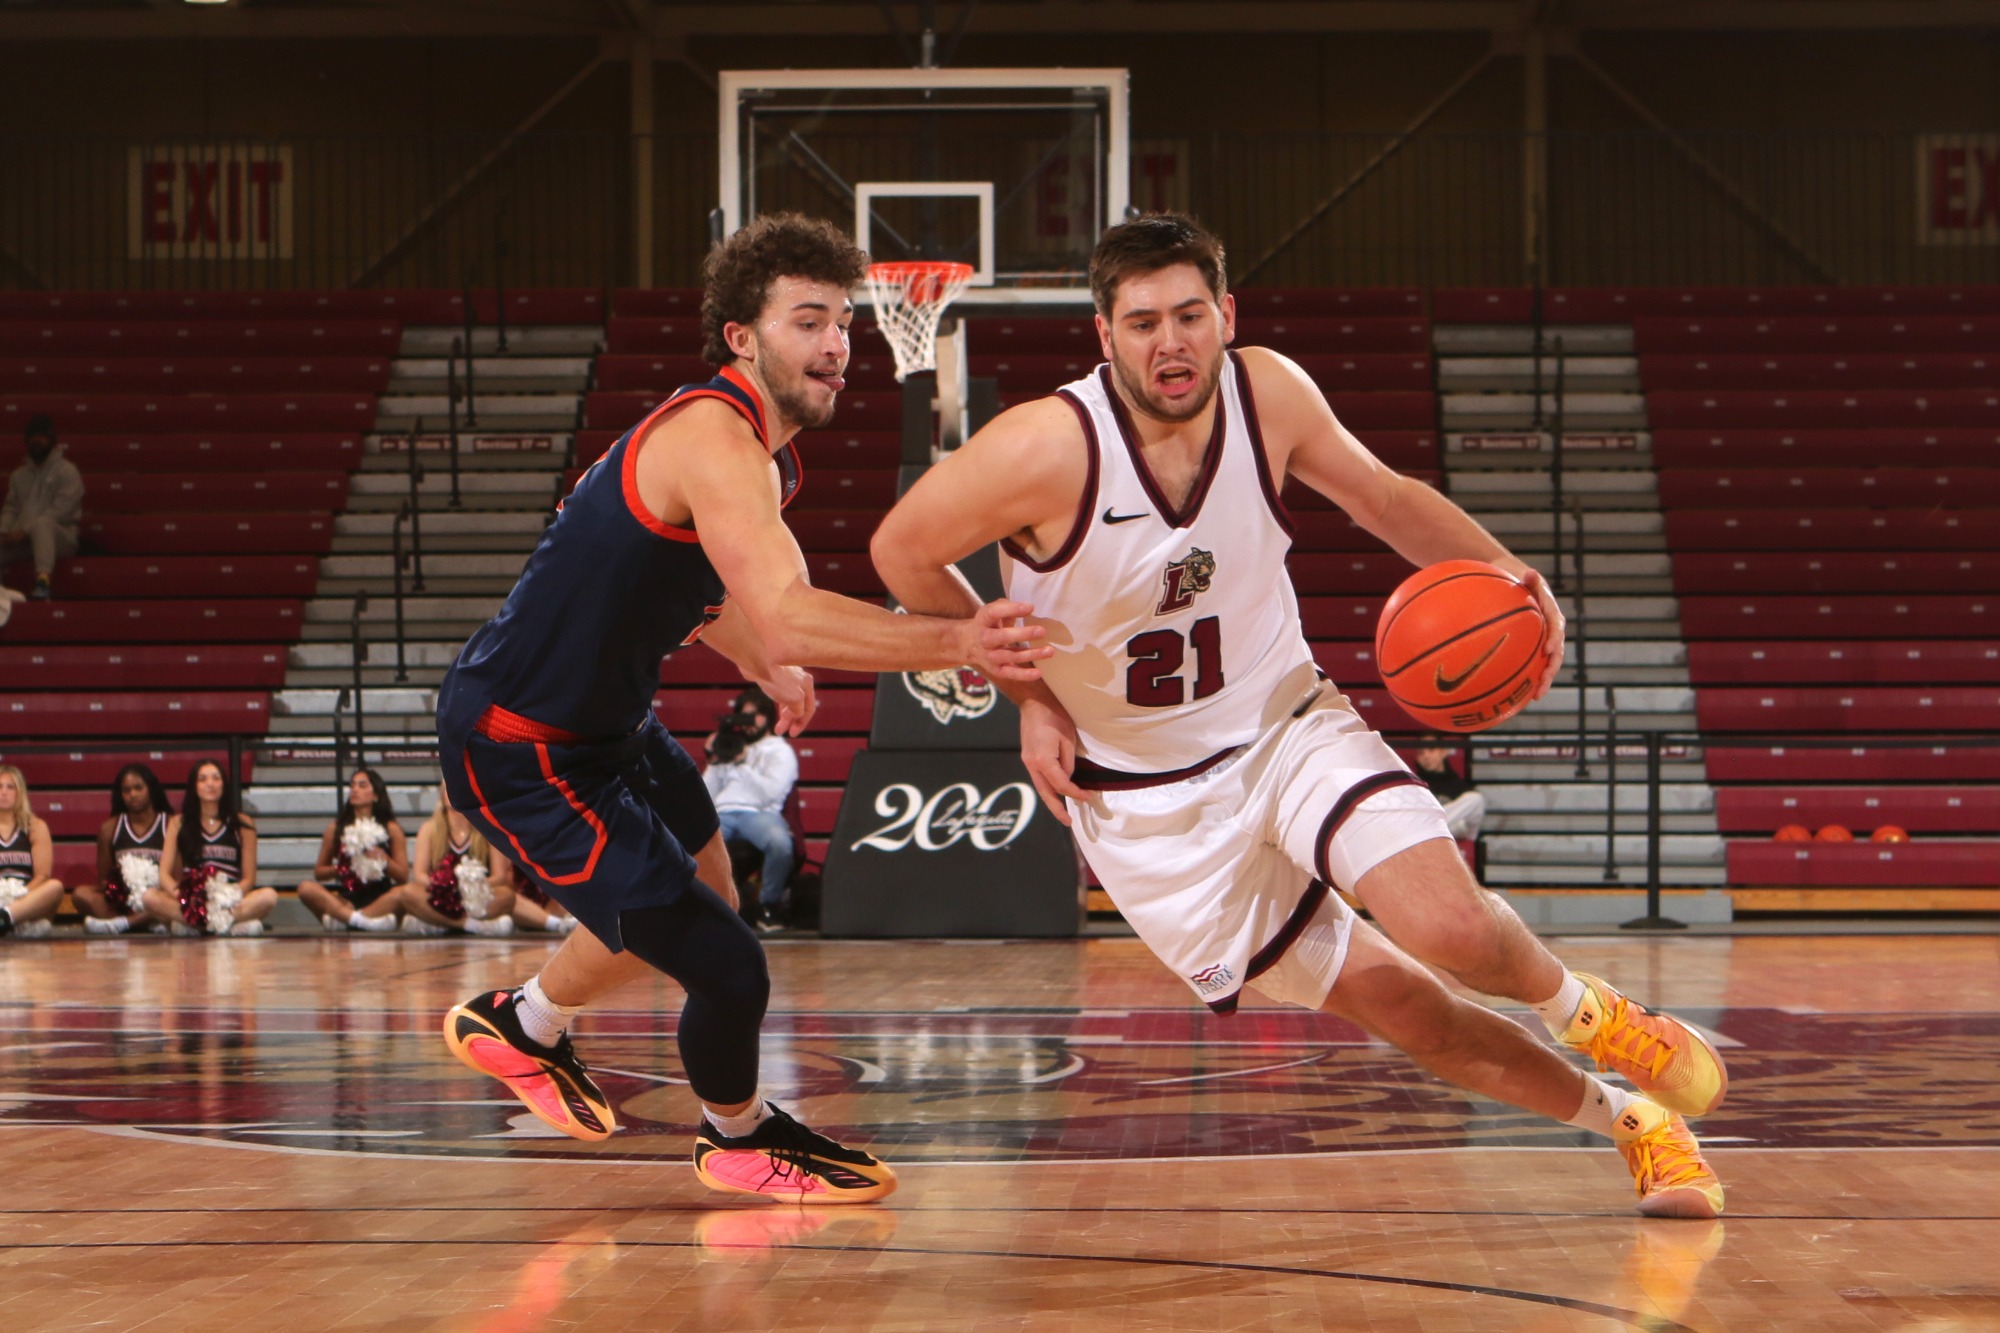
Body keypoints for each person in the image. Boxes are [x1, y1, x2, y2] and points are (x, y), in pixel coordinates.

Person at [868, 214, 1727, 1219]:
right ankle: (1635, 1123)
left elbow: (1385, 499)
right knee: (1411, 1010)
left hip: (1284, 724)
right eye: (1142, 323)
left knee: (1447, 923)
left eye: (1190, 315)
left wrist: (1510, 576)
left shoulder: (1267, 393)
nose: (1170, 342)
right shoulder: (1040, 447)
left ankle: (1590, 1013)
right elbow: (899, 551)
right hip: (1144, 802)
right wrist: (1025, 693)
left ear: (1226, 316)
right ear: (1104, 336)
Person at [434, 213, 1050, 1205]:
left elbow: (699, 587)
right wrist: (957, 642)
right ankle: (737, 1136)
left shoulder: (759, 453)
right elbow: (790, 609)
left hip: (607, 725)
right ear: (739, 336)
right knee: (730, 967)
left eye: (842, 321)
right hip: (522, 743)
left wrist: (765, 661)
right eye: (807, 321)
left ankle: (526, 1024)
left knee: (709, 890)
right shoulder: (715, 439)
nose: (835, 343)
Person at [702, 685, 799, 931]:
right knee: (694, 844)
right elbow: (706, 794)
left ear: (767, 717)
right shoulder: (728, 746)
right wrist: (714, 760)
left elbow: (770, 793)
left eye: (755, 715)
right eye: (744, 717)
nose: (750, 723)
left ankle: (768, 906)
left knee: (780, 844)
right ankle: (710, 911)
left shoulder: (779, 750)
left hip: (760, 813)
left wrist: (743, 762)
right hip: (722, 812)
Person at [150, 760, 278, 936]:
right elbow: (164, 874)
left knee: (268, 896)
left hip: (229, 900)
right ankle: (228, 927)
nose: (210, 784)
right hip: (192, 900)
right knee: (149, 898)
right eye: (203, 779)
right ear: (194, 786)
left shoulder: (242, 823)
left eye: (216, 778)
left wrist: (227, 896)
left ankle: (196, 927)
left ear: (224, 785)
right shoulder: (178, 823)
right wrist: (183, 896)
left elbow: (249, 879)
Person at [390, 784, 517, 936]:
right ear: (441, 795)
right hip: (440, 895)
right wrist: (442, 888)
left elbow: (499, 876)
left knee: (507, 896)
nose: (453, 793)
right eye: (448, 788)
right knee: (408, 893)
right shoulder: (429, 828)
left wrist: (470, 887)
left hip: (477, 896)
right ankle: (469, 925)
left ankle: (437, 923)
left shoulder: (487, 827)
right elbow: (419, 874)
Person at [295, 769, 409, 932]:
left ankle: (343, 919)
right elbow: (319, 872)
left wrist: (384, 860)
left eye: (362, 786)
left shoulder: (392, 828)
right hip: (346, 900)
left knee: (404, 893)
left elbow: (403, 876)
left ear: (376, 795)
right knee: (306, 888)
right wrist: (341, 868)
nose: (355, 790)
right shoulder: (335, 828)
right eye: (352, 785)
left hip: (381, 899)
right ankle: (357, 919)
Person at [78, 763, 174, 935]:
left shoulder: (170, 825)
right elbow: (104, 880)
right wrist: (121, 892)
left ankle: (126, 923)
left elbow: (178, 878)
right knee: (81, 894)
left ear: (151, 789)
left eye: (138, 788)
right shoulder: (109, 828)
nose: (133, 794)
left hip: (159, 896)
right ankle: (149, 922)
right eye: (126, 790)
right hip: (124, 902)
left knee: (174, 899)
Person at [0, 415, 84, 602]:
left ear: (52, 440)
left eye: (42, 436)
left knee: (42, 523)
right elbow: (11, 509)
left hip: (60, 538)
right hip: (24, 540)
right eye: (32, 437)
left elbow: (61, 510)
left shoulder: (67, 471)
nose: (36, 441)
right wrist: (4, 531)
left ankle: (43, 582)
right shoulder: (18, 475)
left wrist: (24, 530)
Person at [0, 764, 64, 938]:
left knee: (55, 887)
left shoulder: (35, 826)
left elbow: (42, 876)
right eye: (0, 786)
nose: (4, 792)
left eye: (10, 787)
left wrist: (17, 897)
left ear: (20, 792)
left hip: (27, 897)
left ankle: (5, 918)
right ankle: (18, 928)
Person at [1413, 734, 1486, 841]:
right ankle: (1434, 826)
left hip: (1452, 830)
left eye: (1431, 749)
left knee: (1476, 799)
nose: (1426, 756)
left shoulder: (1456, 782)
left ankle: (1434, 825)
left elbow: (1471, 818)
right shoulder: (1415, 785)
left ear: (1443, 752)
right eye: (1421, 753)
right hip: (1426, 833)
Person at [508, 865, 580, 935]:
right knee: (507, 896)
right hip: (523, 899)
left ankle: (565, 922)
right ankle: (558, 924)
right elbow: (504, 881)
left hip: (553, 892)